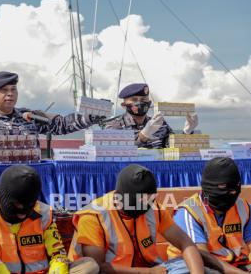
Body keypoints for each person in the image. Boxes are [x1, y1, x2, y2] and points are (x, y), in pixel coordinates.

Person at [68, 164, 207, 274]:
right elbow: (99, 266)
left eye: (150, 200)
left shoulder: (155, 209)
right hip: (112, 272)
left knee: (191, 263)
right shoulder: (93, 216)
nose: (146, 206)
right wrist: (149, 272)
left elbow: (186, 243)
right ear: (120, 197)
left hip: (151, 267)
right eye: (140, 201)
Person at [0, 165, 99, 274]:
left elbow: (58, 254)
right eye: (16, 205)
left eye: (29, 206)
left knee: (88, 265)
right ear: (1, 197)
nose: (22, 214)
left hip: (41, 272)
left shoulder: (43, 212)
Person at [0, 71, 104, 150]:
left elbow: (62, 125)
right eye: (4, 90)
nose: (10, 93)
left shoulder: (28, 116)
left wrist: (94, 114)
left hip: (29, 177)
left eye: (13, 89)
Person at [169, 157, 251, 273]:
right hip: (197, 266)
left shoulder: (243, 207)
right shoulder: (189, 212)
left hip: (235, 265)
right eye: (224, 187)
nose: (232, 193)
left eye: (235, 186)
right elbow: (202, 256)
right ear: (209, 187)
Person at [105, 83, 198, 148]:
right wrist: (142, 137)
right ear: (123, 105)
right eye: (134, 99)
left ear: (149, 103)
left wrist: (187, 132)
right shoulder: (114, 126)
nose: (139, 103)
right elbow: (115, 154)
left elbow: (173, 149)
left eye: (144, 99)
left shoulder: (160, 124)